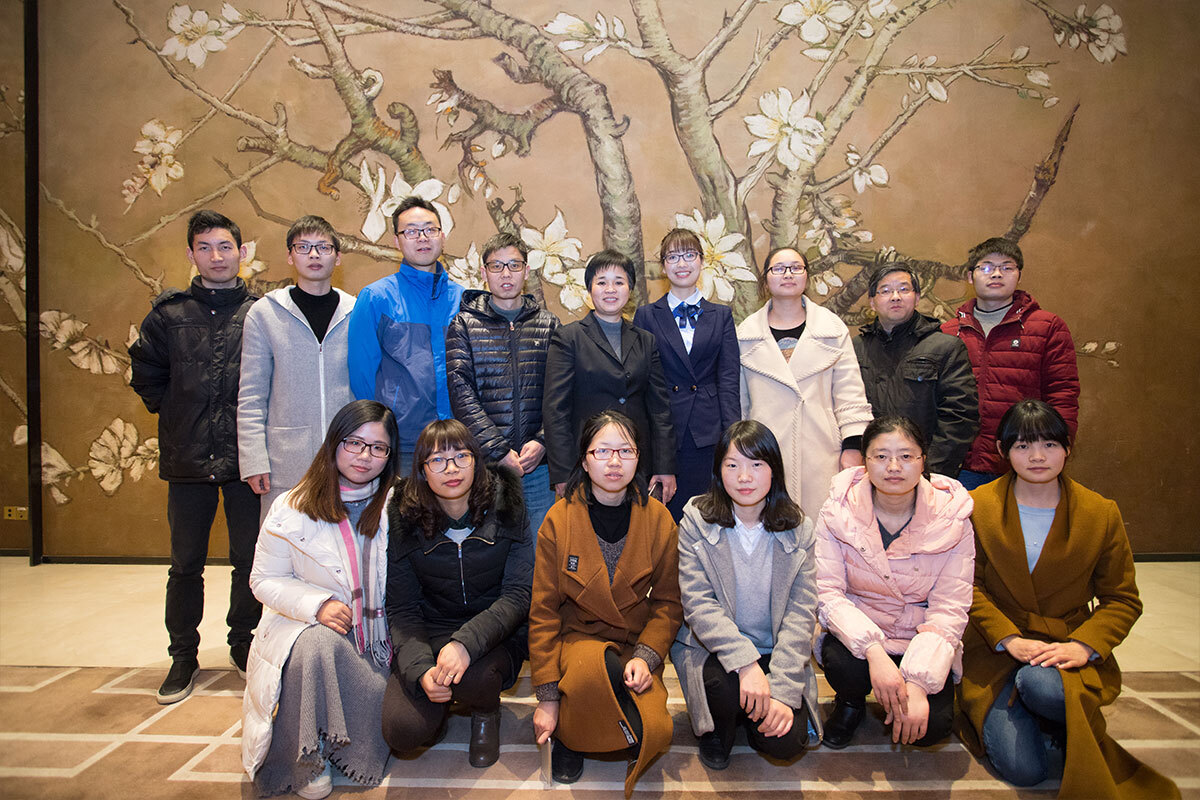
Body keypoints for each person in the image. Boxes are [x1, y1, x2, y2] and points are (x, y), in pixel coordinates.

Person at [957, 400, 1179, 798]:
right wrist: (1009, 638)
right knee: (1026, 771)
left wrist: (1084, 646)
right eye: (1023, 445)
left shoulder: (1100, 513)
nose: (1037, 456)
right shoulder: (977, 507)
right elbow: (965, 586)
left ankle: (1048, 709)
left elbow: (1122, 599)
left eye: (1049, 444)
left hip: (1064, 646)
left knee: (1042, 686)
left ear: (1068, 447)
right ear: (1002, 450)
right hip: (994, 651)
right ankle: (1029, 716)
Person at [128, 209, 261, 702]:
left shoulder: (261, 312)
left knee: (250, 560)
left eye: (225, 247)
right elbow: (146, 374)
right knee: (185, 564)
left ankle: (243, 642)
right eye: (205, 248)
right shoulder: (169, 314)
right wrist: (178, 412)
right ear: (191, 254)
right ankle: (183, 656)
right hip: (187, 459)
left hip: (247, 461)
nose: (216, 256)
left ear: (241, 252)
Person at [241, 399, 400, 800]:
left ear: (390, 455)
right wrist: (317, 604)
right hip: (320, 632)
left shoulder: (401, 503)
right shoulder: (292, 506)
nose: (364, 456)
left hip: (381, 642)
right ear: (334, 443)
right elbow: (263, 579)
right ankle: (308, 757)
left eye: (378, 447)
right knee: (315, 645)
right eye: (354, 443)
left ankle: (348, 743)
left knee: (408, 726)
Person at [529, 410, 682, 796]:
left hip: (633, 643)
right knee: (589, 673)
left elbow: (668, 604)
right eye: (602, 451)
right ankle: (571, 734)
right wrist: (547, 697)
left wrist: (646, 657)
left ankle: (594, 718)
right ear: (584, 460)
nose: (614, 461)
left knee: (655, 732)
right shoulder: (558, 519)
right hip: (577, 643)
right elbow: (543, 613)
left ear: (637, 458)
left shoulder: (659, 520)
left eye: (625, 451)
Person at [813, 415, 974, 749]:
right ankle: (850, 702)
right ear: (865, 461)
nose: (894, 467)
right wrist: (874, 651)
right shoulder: (837, 510)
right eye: (881, 456)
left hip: (920, 635)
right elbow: (828, 593)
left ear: (923, 460)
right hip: (859, 632)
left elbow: (950, 608)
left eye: (906, 456)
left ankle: (908, 688)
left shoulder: (953, 517)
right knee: (845, 666)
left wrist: (917, 684)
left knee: (932, 727)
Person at [381, 419, 533, 769]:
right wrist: (421, 669)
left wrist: (465, 644)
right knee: (402, 731)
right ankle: (439, 706)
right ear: (422, 470)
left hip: (495, 635)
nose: (451, 469)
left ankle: (485, 711)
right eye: (437, 460)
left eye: (461, 457)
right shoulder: (404, 516)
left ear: (476, 461)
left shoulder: (507, 504)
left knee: (477, 678)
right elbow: (402, 608)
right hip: (432, 631)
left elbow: (518, 594)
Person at [671, 420, 821, 771]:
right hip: (715, 649)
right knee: (723, 692)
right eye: (732, 465)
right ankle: (719, 728)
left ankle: (754, 717)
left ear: (774, 470)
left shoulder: (799, 528)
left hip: (775, 650)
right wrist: (746, 664)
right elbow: (698, 604)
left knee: (785, 742)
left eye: (756, 464)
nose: (744, 477)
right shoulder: (696, 520)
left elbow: (801, 613)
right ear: (718, 470)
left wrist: (782, 689)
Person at [737, 246, 873, 518]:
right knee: (768, 526)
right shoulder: (746, 335)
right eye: (778, 268)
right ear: (765, 279)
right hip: (763, 451)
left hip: (821, 449)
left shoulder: (831, 329)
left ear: (806, 276)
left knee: (824, 526)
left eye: (796, 267)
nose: (788, 274)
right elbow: (740, 402)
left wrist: (852, 447)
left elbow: (850, 394)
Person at [238, 215, 356, 522]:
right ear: (290, 256)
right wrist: (253, 460)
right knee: (285, 543)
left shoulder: (357, 312)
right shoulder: (264, 314)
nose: (314, 254)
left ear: (338, 257)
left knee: (345, 544)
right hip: (285, 461)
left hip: (347, 457)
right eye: (303, 247)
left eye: (323, 247)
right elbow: (251, 395)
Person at [941, 237, 1079, 490]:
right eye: (986, 267)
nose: (996, 274)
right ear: (970, 276)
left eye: (1007, 267)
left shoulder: (1047, 327)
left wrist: (1055, 449)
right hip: (961, 465)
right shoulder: (949, 332)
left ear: (1019, 275)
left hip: (1025, 462)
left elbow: (1063, 394)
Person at [446, 232, 559, 535]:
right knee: (490, 550)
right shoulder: (464, 324)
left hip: (537, 466)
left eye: (514, 265)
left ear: (527, 270)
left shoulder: (549, 324)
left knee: (540, 551)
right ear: (484, 273)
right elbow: (461, 391)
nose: (506, 274)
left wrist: (543, 441)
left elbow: (560, 392)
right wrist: (498, 450)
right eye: (496, 266)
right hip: (487, 466)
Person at [543, 250, 677, 503]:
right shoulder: (568, 338)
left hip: (636, 461)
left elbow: (660, 409)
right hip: (587, 462)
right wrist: (562, 472)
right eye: (602, 282)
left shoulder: (646, 341)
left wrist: (665, 466)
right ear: (589, 289)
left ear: (630, 289)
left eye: (619, 282)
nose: (610, 290)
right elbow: (555, 410)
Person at [347, 196, 465, 473]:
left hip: (457, 438)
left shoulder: (463, 299)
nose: (422, 238)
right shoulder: (375, 298)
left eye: (430, 229)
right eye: (411, 231)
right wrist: (379, 432)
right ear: (396, 241)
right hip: (401, 442)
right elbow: (362, 376)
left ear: (442, 236)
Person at [633, 228, 740, 521]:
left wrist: (732, 438)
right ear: (663, 266)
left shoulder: (721, 316)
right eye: (673, 257)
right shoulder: (646, 315)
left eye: (689, 255)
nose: (682, 263)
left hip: (709, 433)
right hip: (665, 434)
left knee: (711, 519)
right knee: (663, 522)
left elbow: (728, 381)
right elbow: (642, 382)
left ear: (701, 261)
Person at [854, 263, 978, 478]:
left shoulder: (946, 347)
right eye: (885, 291)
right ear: (872, 302)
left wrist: (928, 471)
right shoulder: (855, 348)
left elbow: (960, 417)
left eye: (904, 289)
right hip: (869, 471)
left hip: (927, 472)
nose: (895, 297)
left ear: (917, 297)